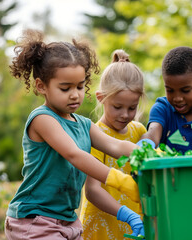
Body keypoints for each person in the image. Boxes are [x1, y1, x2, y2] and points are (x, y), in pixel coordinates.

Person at [5, 30, 143, 240]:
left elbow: (116, 146)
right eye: (65, 88)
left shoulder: (84, 125)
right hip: (34, 219)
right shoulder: (43, 119)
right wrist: (119, 180)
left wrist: (150, 154)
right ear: (41, 86)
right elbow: (74, 154)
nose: (75, 94)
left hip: (68, 220)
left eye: (80, 86)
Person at [79, 50, 146, 240]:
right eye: (117, 107)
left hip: (134, 228)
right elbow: (92, 190)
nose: (125, 114)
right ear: (101, 98)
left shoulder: (139, 131)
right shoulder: (96, 136)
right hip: (101, 227)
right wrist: (126, 215)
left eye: (132, 108)